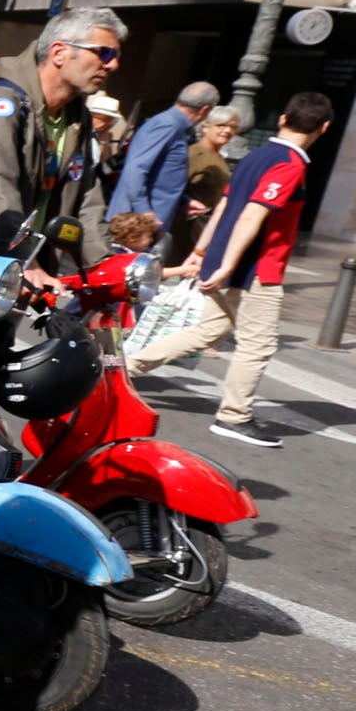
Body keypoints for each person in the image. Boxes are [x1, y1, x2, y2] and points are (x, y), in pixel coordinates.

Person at [126, 90, 335, 449]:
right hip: (256, 269)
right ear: (325, 128)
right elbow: (252, 214)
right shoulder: (290, 164)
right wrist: (226, 265)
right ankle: (234, 416)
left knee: (207, 333)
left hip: (228, 260)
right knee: (258, 345)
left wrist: (202, 251)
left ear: (283, 119)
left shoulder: (256, 155)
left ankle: (122, 367)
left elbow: (223, 207)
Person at [0, 6, 123, 273]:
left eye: (115, 55)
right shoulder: (3, 104)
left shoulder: (77, 117)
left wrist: (104, 265)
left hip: (19, 268)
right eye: (103, 52)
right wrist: (22, 260)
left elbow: (87, 197)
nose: (113, 64)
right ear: (59, 53)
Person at [110, 79, 221, 239]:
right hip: (135, 226)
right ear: (205, 110)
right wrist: (144, 212)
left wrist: (184, 201)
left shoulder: (176, 126)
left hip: (146, 224)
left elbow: (163, 174)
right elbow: (136, 169)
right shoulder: (168, 125)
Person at [173, 105, 239, 264]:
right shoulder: (195, 153)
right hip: (185, 228)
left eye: (232, 127)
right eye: (221, 125)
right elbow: (175, 186)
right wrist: (188, 201)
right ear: (205, 128)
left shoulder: (219, 156)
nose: (227, 131)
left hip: (205, 227)